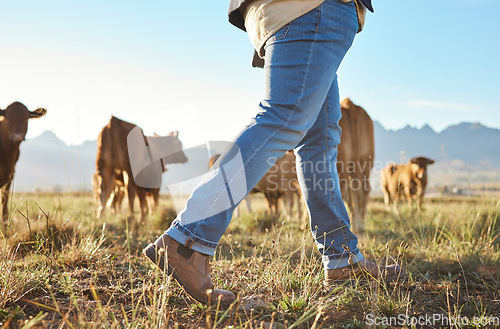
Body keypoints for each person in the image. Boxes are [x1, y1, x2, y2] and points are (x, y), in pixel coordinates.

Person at [143, 0, 404, 305]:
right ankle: (187, 240)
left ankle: (341, 256)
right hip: (312, 8)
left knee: (319, 141)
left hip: (300, 11)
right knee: (283, 117)